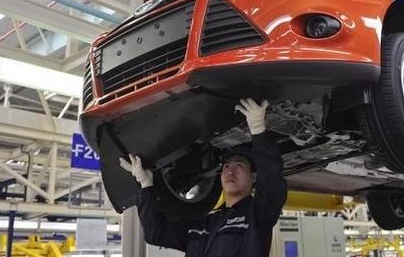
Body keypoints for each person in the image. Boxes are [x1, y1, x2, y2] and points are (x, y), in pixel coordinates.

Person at [119, 98, 287, 257]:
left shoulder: (258, 215)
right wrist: (146, 184)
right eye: (226, 166)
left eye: (239, 165)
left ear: (253, 177)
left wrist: (258, 129)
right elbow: (156, 233)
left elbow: (272, 180)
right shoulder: (204, 225)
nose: (230, 171)